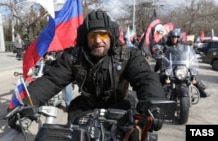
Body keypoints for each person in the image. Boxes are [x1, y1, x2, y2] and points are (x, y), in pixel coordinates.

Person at [23, 9, 165, 124]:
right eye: (92, 36)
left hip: (120, 108)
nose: (98, 41)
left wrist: (155, 104)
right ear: (85, 38)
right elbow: (52, 80)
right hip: (84, 109)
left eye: (103, 35)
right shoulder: (72, 56)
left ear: (111, 36)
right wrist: (26, 103)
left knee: (138, 134)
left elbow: (145, 78)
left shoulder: (129, 54)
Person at [153, 29, 210, 98]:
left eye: (176, 37)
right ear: (170, 37)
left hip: (180, 64)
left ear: (178, 38)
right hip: (170, 65)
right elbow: (159, 50)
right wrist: (158, 53)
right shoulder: (166, 45)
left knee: (192, 74)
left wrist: (195, 51)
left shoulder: (182, 44)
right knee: (162, 76)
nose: (174, 38)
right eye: (173, 37)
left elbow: (189, 49)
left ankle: (202, 91)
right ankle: (157, 94)